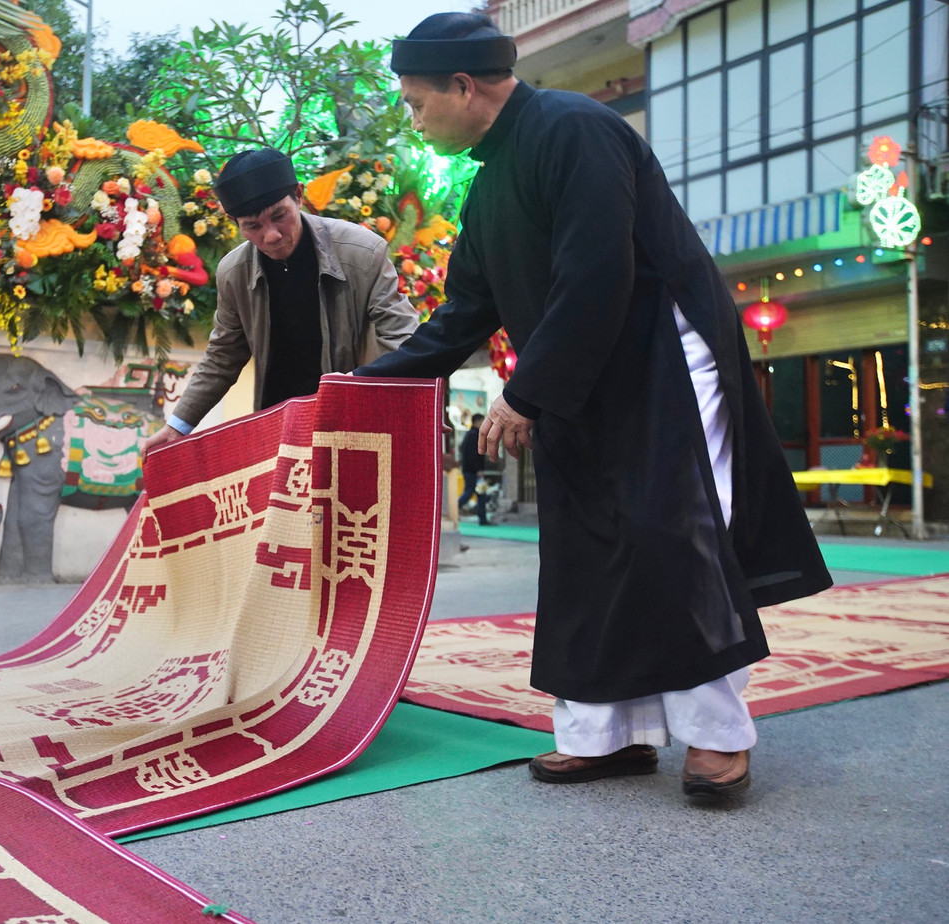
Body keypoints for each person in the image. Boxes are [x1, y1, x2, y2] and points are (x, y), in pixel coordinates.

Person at [356, 12, 832, 798]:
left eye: (414, 101)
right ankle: (605, 734)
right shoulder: (488, 184)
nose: (413, 118)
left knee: (667, 527)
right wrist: (356, 389)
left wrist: (527, 390)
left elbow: (598, 272)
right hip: (582, 368)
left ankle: (716, 736)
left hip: (658, 357)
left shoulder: (576, 129)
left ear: (464, 86)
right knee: (583, 541)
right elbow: (463, 313)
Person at [141, 148, 418, 456]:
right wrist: (177, 425)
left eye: (279, 216)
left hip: (353, 421)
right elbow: (223, 355)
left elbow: (401, 336)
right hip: (277, 427)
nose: (270, 235)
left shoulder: (362, 252)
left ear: (298, 195)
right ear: (234, 221)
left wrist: (416, 402)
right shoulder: (234, 273)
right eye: (252, 226)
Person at [458, 413, 488, 523]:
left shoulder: (471, 434)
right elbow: (473, 455)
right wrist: (478, 469)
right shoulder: (473, 435)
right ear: (477, 422)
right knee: (470, 492)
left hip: (472, 470)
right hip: (473, 471)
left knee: (481, 494)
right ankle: (453, 508)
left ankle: (483, 518)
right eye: (482, 421)